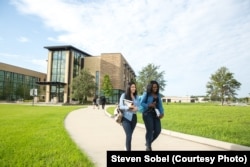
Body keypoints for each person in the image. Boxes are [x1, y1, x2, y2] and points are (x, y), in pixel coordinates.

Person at [140, 80, 164, 151]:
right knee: (150, 130)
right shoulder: (146, 94)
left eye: (156, 87)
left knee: (158, 130)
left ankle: (148, 143)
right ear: (150, 87)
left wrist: (162, 113)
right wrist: (148, 105)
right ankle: (148, 147)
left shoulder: (158, 95)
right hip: (147, 113)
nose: (155, 88)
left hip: (156, 114)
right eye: (153, 87)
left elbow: (160, 105)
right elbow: (141, 103)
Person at [119, 81, 139, 151]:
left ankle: (126, 146)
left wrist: (136, 108)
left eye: (134, 87)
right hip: (125, 118)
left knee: (129, 136)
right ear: (129, 87)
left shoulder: (136, 96)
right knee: (129, 135)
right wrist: (129, 107)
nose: (134, 88)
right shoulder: (124, 95)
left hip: (134, 118)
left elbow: (138, 107)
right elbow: (121, 106)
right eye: (132, 87)